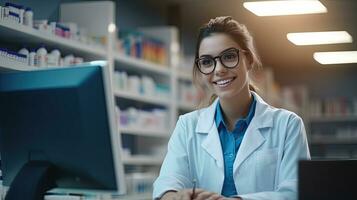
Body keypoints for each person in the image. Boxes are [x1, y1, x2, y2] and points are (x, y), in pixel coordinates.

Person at [153, 16, 310, 200]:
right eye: (207, 62)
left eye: (228, 57)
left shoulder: (288, 125)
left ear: (249, 60)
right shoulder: (187, 126)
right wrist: (176, 197)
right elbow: (167, 184)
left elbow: (296, 192)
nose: (218, 69)